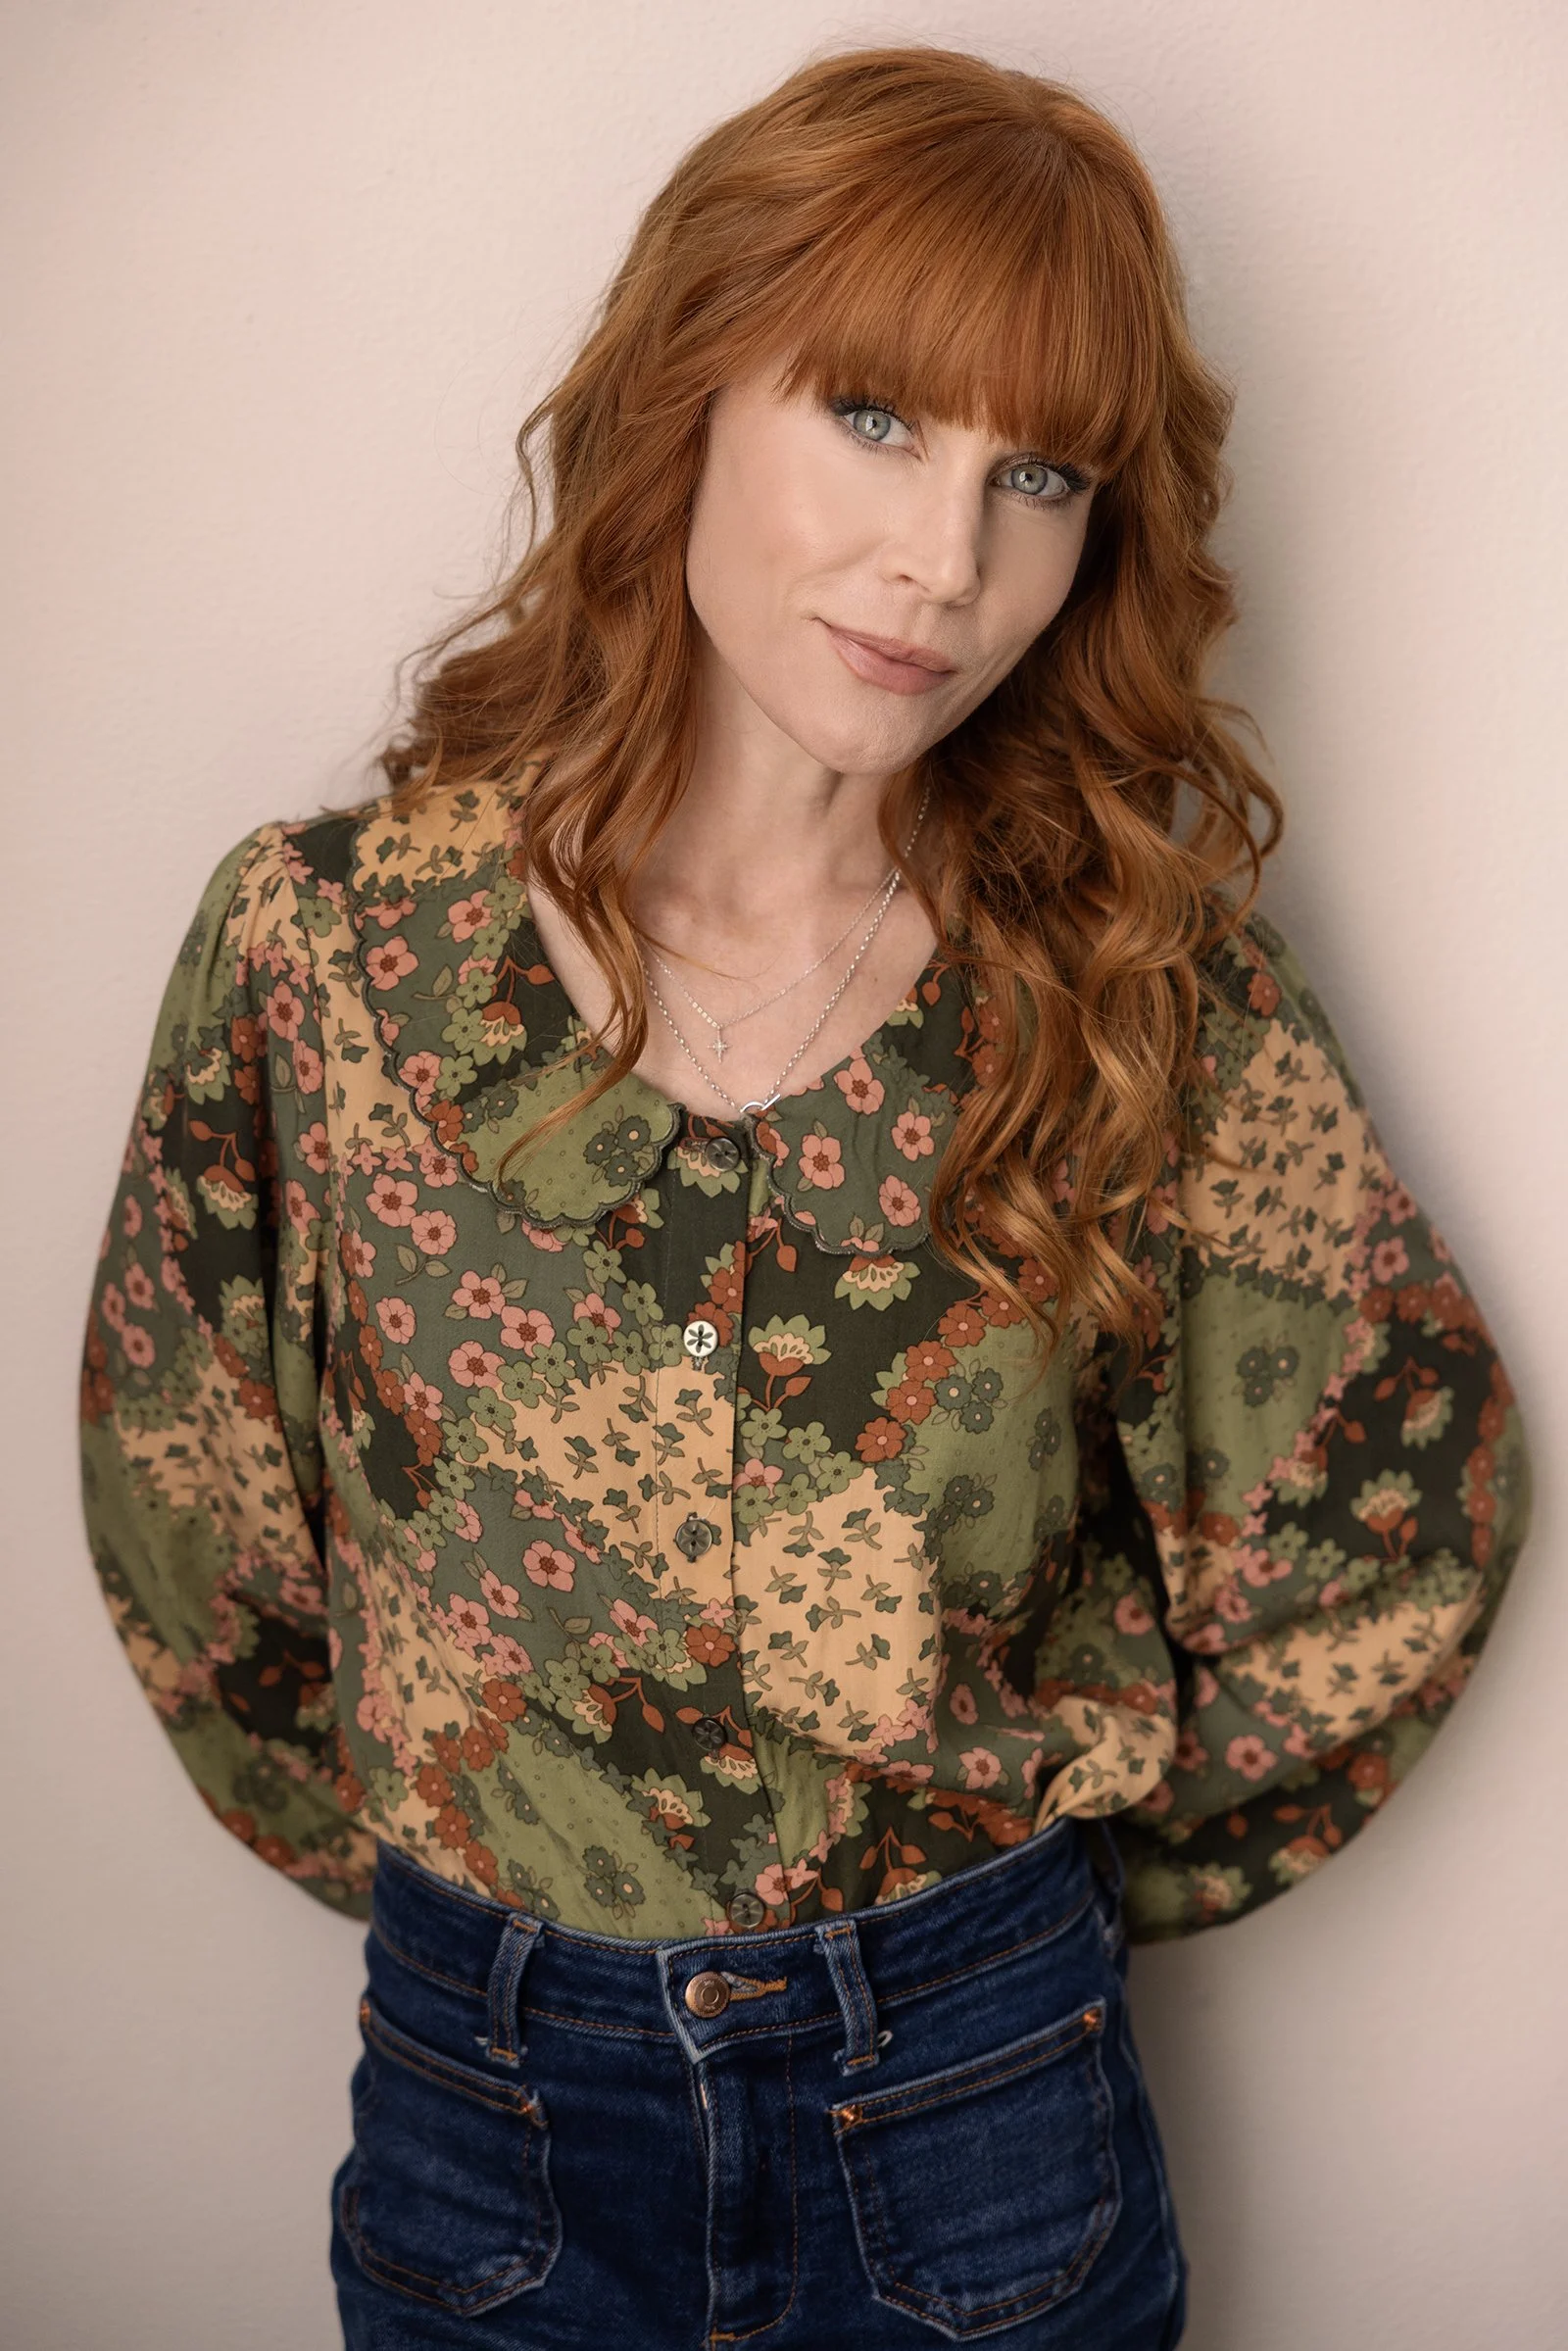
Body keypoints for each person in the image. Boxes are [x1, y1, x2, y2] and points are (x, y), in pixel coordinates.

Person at [78, 43, 1530, 2351]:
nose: (942, 563)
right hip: (488, 2120)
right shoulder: (325, 951)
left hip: (980, 2118)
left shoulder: (1130, 992)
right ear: (689, 381)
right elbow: (200, 1521)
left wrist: (992, 1894)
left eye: (1031, 477)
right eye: (873, 417)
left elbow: (1384, 1511)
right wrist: (492, 1870)